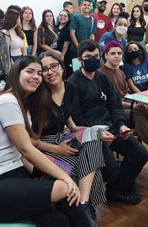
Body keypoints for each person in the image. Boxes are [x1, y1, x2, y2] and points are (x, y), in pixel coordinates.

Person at [0, 57, 93, 226]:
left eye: (39, 73)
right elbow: (26, 149)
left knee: (59, 220)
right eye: (30, 71)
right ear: (16, 73)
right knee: (65, 188)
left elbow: (22, 154)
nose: (36, 76)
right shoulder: (8, 101)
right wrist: (65, 178)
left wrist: (48, 174)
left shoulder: (23, 105)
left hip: (15, 175)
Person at [68, 40, 148, 205]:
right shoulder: (72, 83)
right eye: (88, 57)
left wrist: (121, 124)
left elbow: (115, 105)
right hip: (91, 134)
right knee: (110, 171)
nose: (93, 59)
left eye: (96, 56)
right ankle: (121, 183)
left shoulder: (103, 79)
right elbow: (76, 118)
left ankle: (116, 190)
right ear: (80, 59)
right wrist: (97, 133)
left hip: (112, 128)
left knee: (140, 153)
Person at [33, 51, 107, 220]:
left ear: (61, 67)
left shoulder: (70, 87)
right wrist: (57, 149)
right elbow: (33, 141)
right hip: (47, 144)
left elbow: (67, 118)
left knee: (94, 135)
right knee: (87, 165)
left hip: (63, 137)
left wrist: (83, 129)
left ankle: (83, 203)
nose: (50, 72)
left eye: (54, 66)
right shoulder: (39, 97)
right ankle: (86, 211)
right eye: (45, 69)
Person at [56, 10, 75, 78]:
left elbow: (66, 43)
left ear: (68, 18)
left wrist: (62, 55)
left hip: (65, 55)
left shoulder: (68, 29)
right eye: (61, 15)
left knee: (66, 73)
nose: (62, 17)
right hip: (56, 54)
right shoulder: (56, 27)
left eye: (65, 16)